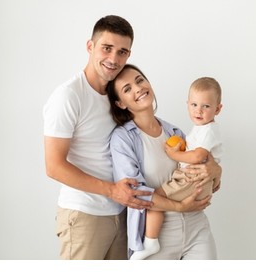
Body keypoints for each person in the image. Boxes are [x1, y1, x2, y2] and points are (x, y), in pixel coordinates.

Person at [43, 15, 218, 260]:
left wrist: (214, 169)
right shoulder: (69, 96)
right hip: (86, 212)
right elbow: (53, 166)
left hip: (124, 215)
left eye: (122, 51)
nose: (114, 59)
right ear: (90, 46)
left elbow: (193, 160)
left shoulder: (115, 95)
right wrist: (113, 191)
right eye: (106, 48)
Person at [108, 64, 220, 260]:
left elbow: (199, 167)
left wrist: (216, 170)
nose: (138, 88)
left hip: (197, 228)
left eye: (140, 80)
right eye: (127, 89)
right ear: (120, 103)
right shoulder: (123, 138)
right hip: (157, 235)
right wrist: (179, 207)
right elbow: (133, 194)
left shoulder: (174, 132)